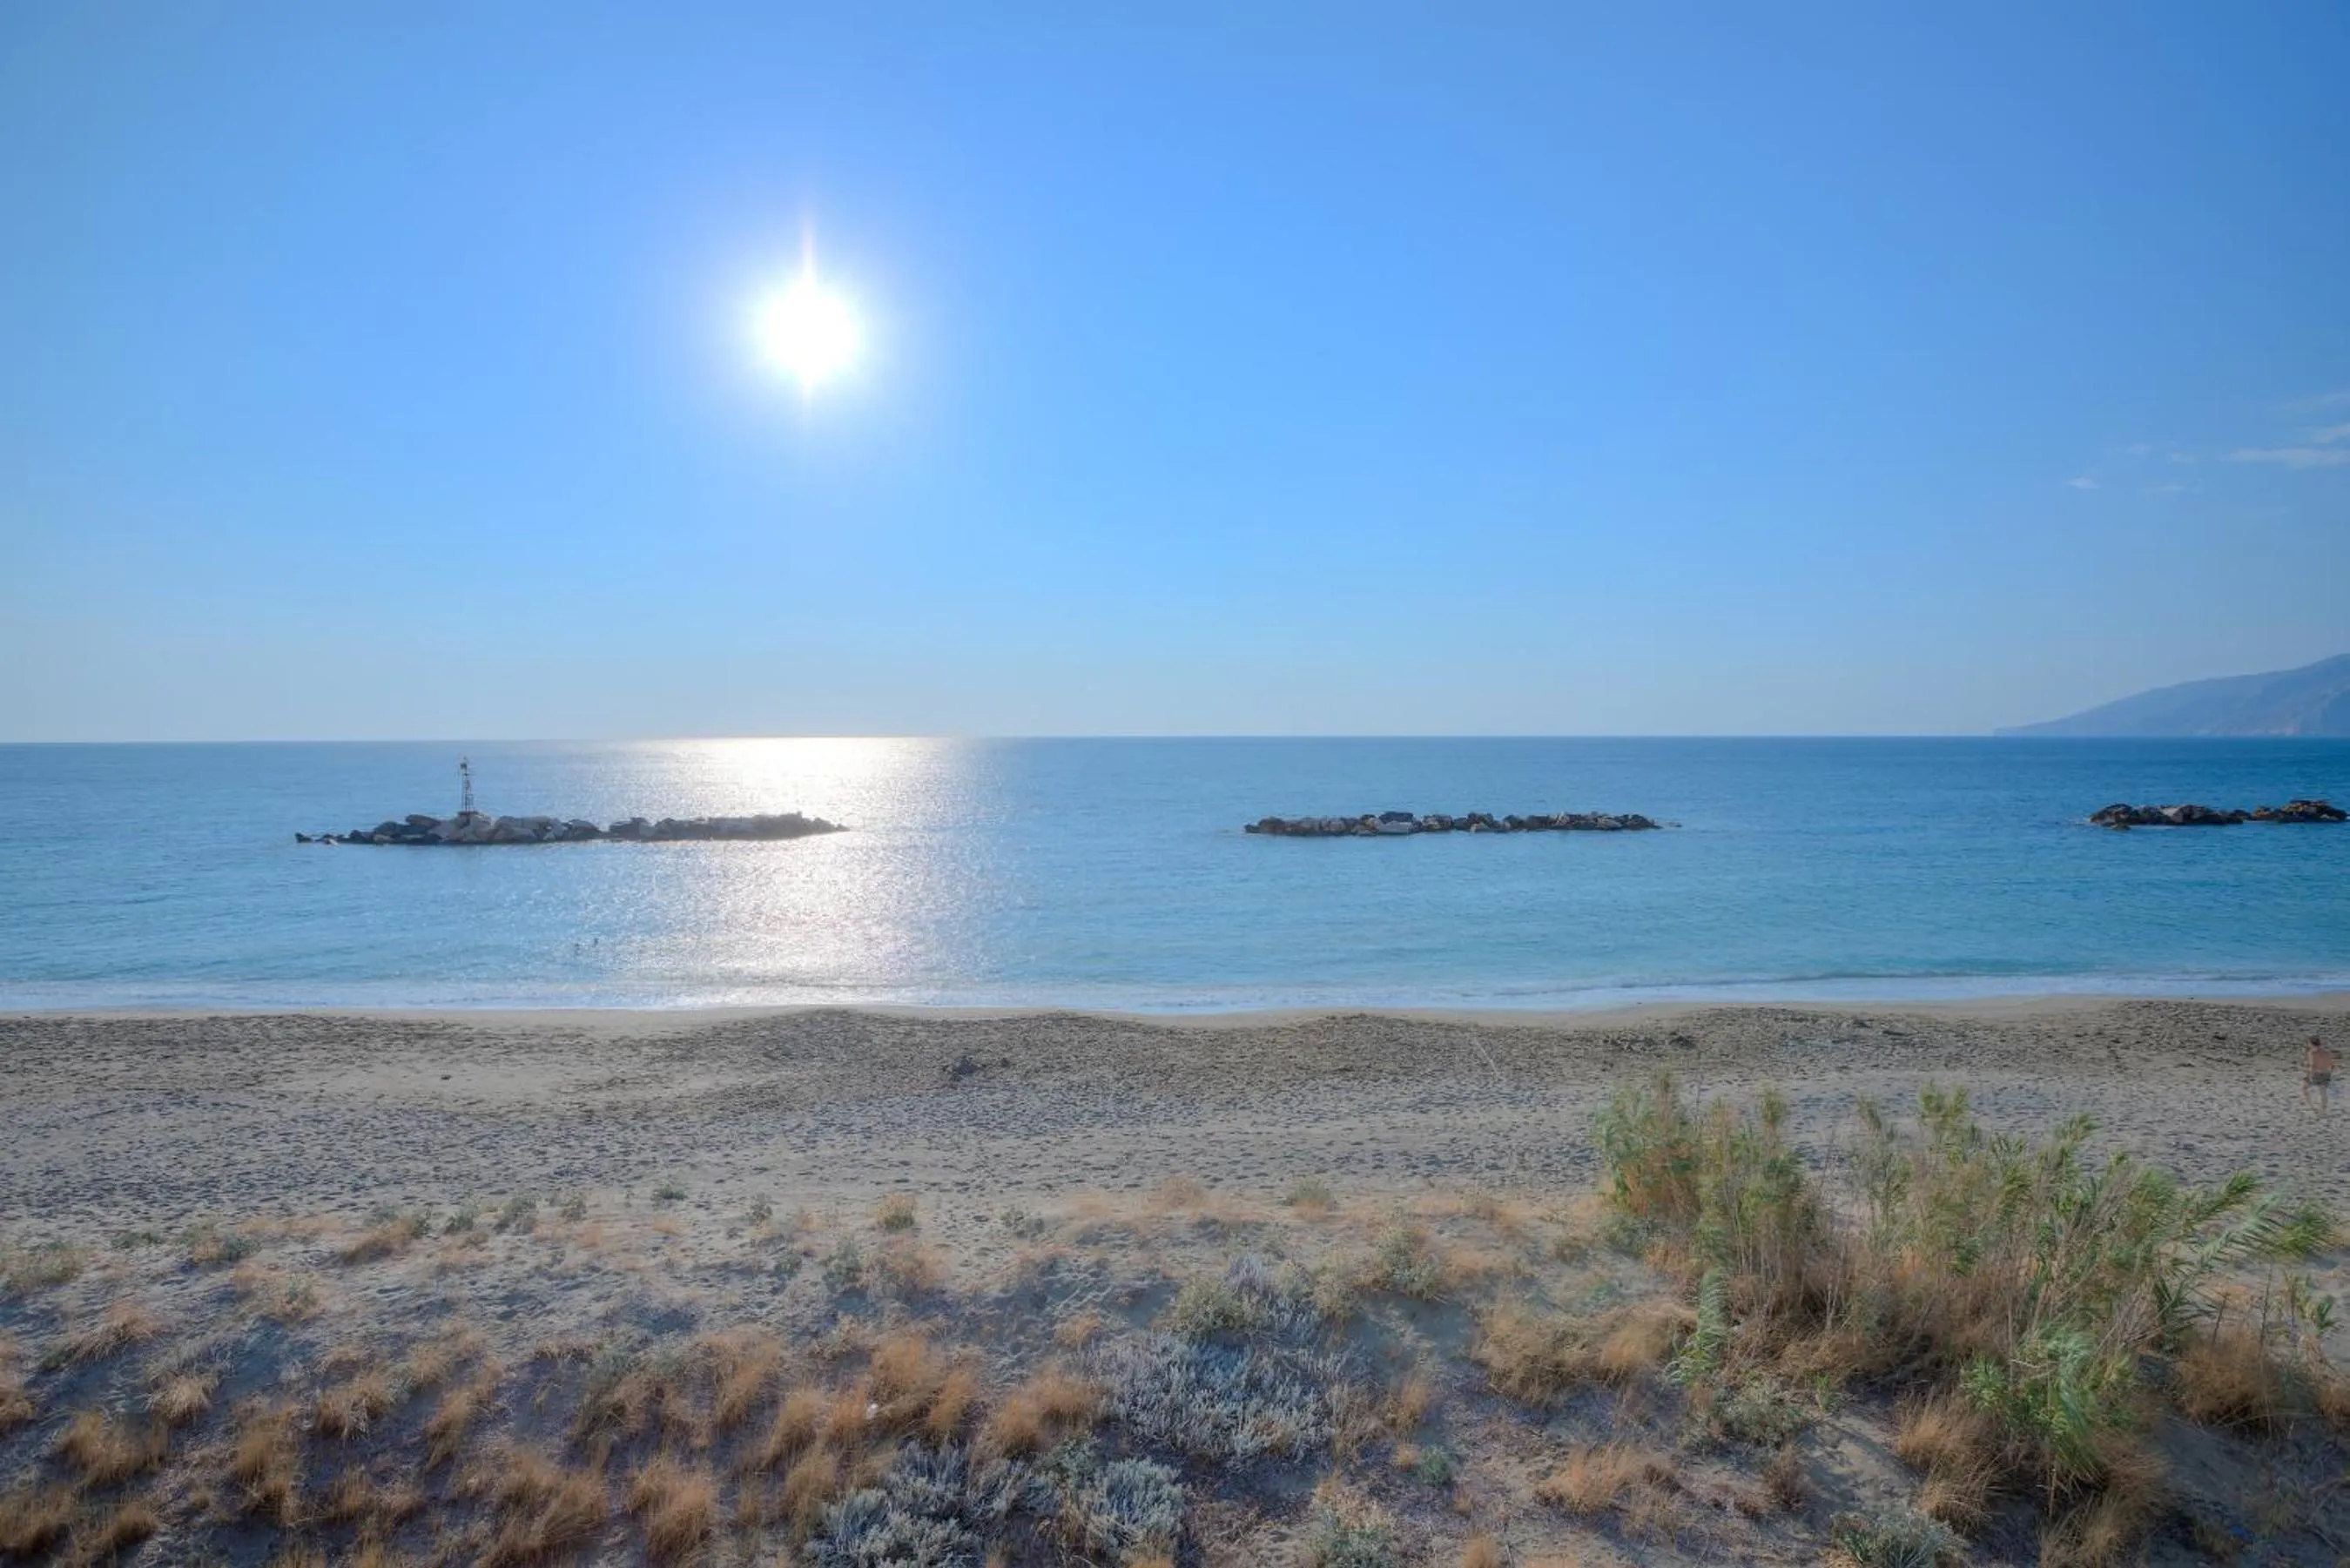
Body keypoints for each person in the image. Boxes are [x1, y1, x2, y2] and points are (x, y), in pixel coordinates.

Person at [2306, 1036, 2335, 1113]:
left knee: (2304, 1088)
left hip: (2316, 1073)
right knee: (2323, 1091)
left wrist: (2309, 1074)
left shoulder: (2312, 1053)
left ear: (2311, 1044)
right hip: (2326, 1073)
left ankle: (2312, 1107)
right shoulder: (2327, 1053)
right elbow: (2332, 1065)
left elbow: (2312, 1066)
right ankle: (2323, 1110)